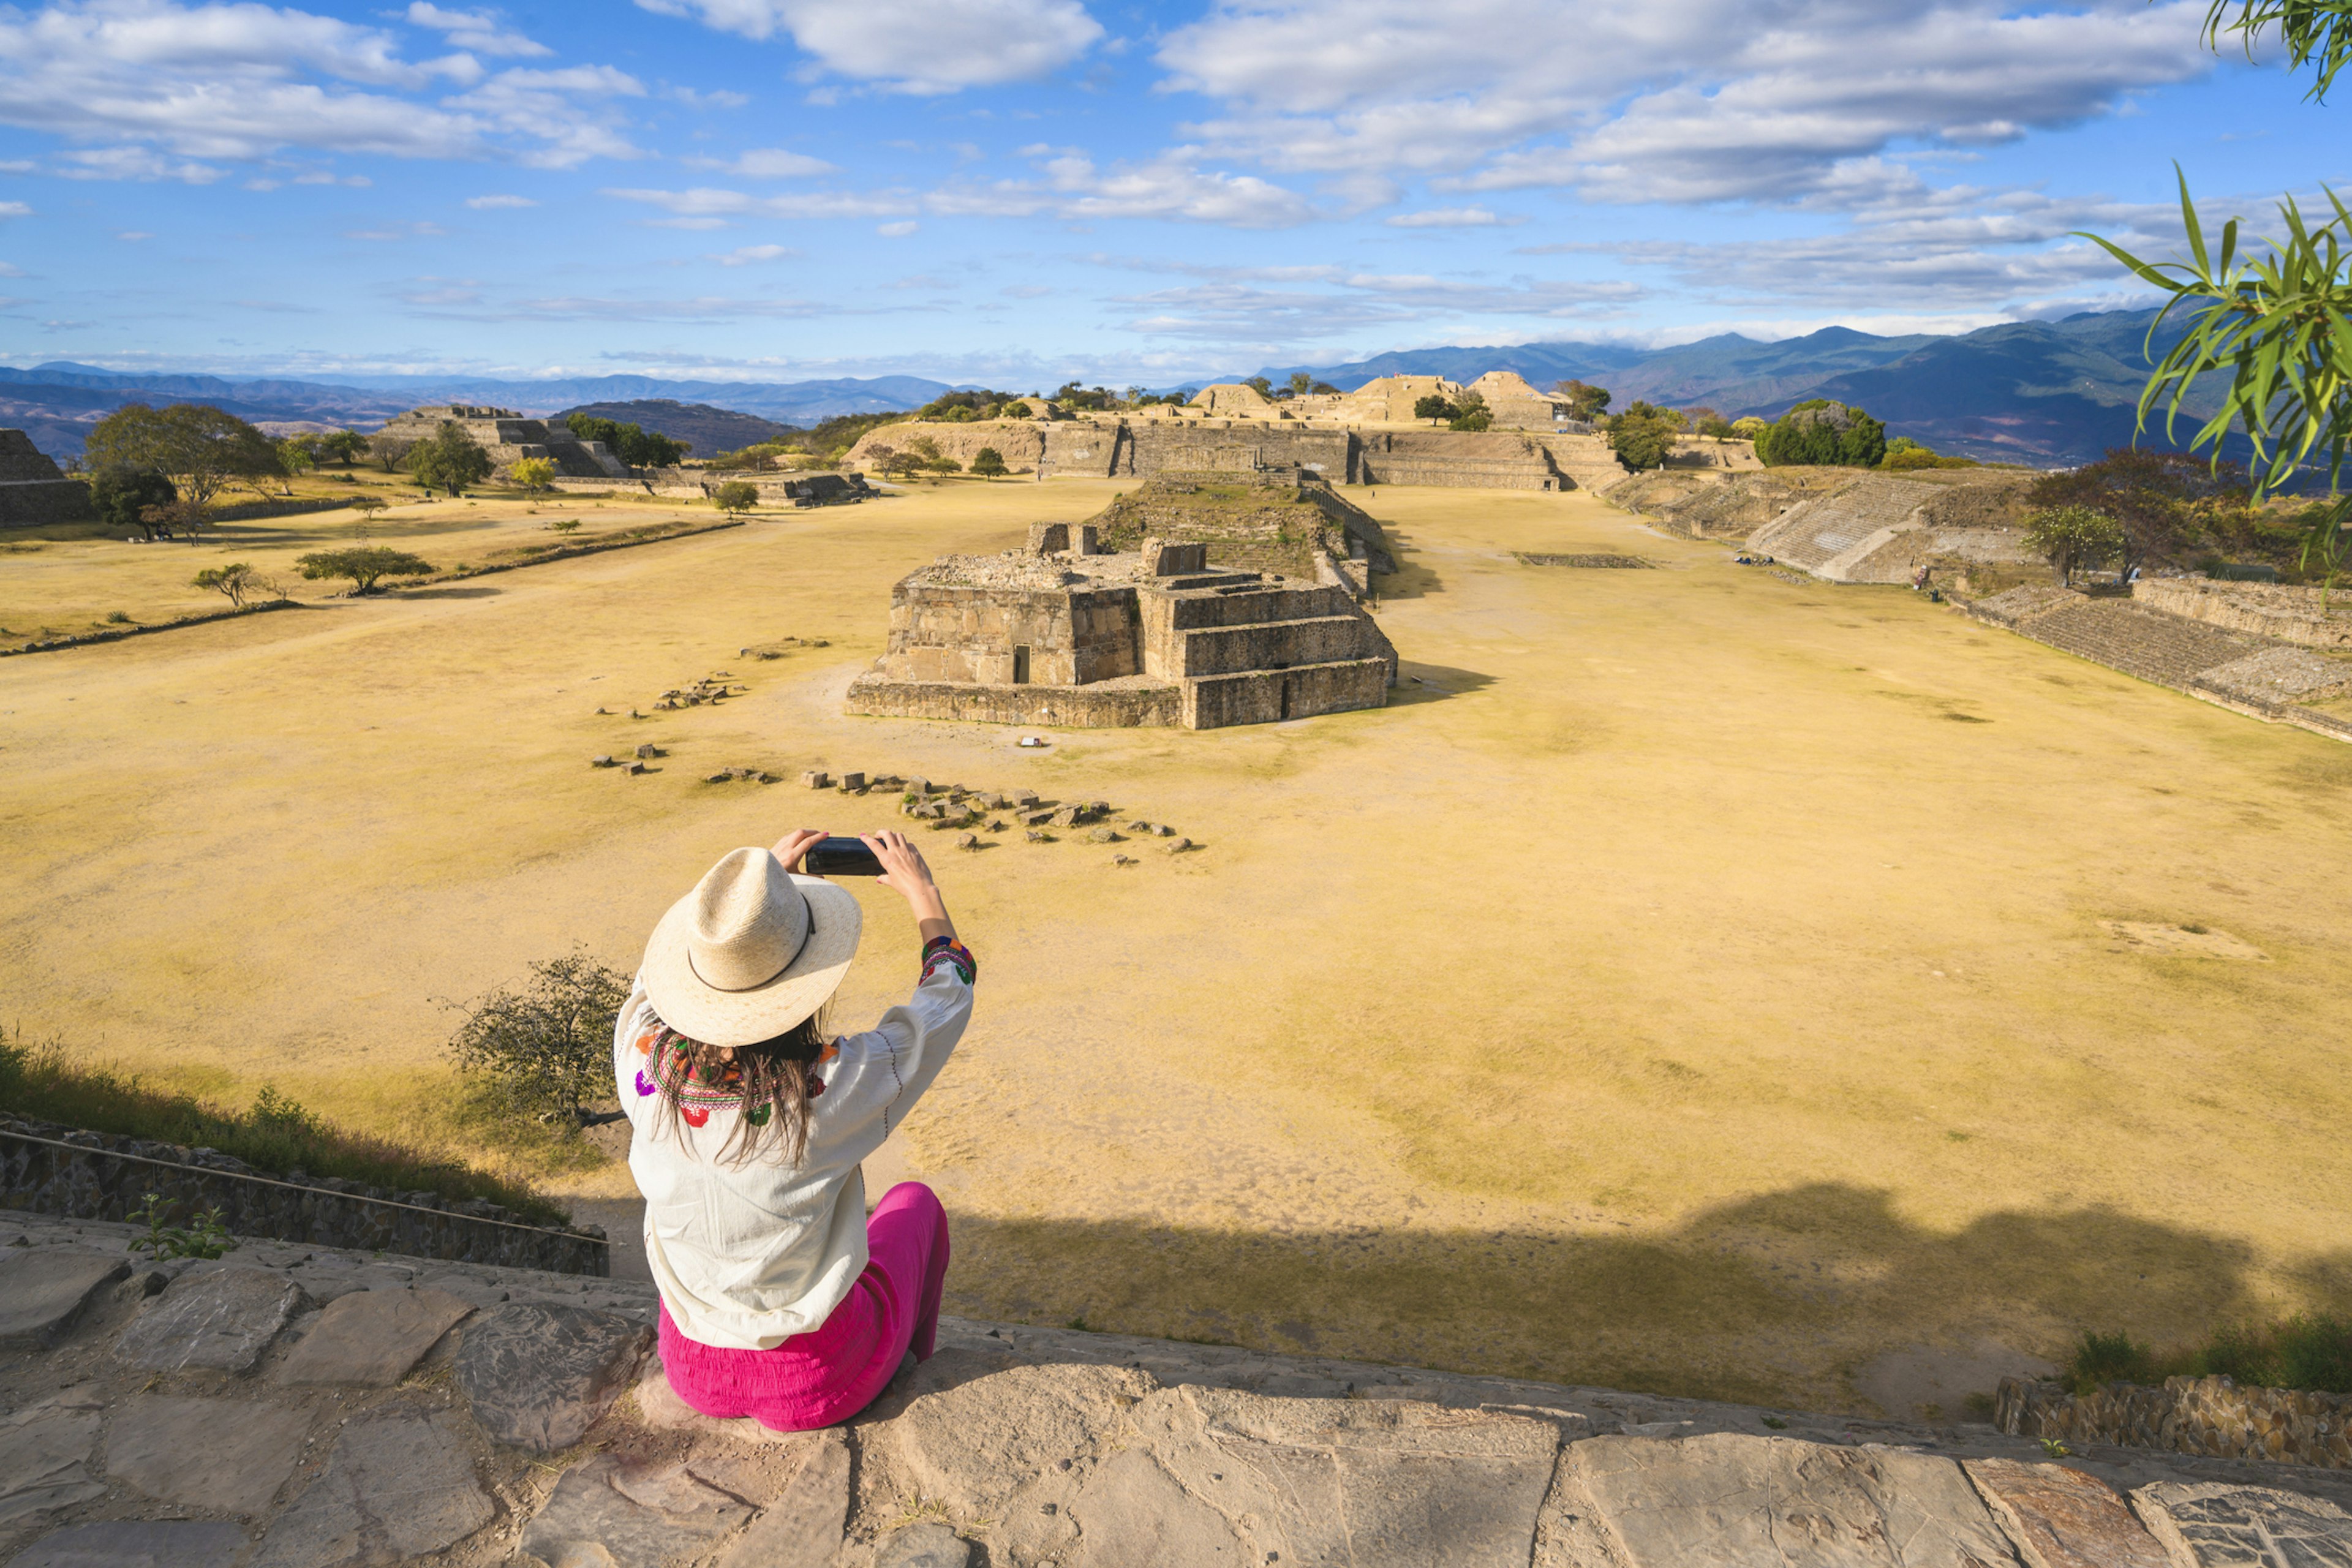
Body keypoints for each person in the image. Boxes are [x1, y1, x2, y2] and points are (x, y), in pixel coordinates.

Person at [614, 827, 975, 1431]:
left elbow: (649, 986)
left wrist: (736, 910)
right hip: (821, 1376)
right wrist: (925, 897)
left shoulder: (643, 1060)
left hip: (691, 1367)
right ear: (807, 984)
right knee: (915, 1206)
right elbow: (948, 995)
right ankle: (912, 1368)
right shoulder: (829, 1086)